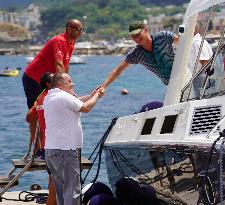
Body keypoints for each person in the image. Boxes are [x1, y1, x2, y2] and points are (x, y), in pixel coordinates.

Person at [43, 72, 105, 205]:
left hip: (51, 151)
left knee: (61, 191)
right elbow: (86, 108)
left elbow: (75, 102)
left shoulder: (50, 96)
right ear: (60, 83)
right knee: (72, 191)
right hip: (65, 150)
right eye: (69, 81)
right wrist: (97, 96)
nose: (73, 84)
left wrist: (91, 95)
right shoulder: (63, 97)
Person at [22, 19, 84, 109]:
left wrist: (69, 87)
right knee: (36, 110)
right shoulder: (60, 40)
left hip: (47, 81)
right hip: (33, 78)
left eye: (81, 29)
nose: (80, 32)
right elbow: (58, 64)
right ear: (69, 29)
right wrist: (63, 87)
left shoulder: (71, 43)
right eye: (78, 29)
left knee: (49, 108)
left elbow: (65, 65)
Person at [101, 21, 179, 89]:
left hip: (184, 74)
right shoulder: (136, 54)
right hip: (170, 85)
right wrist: (103, 87)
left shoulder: (163, 37)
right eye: (133, 36)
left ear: (145, 30)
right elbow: (118, 70)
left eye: (138, 34)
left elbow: (182, 41)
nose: (136, 38)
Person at [26, 72, 57, 205]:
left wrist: (39, 111)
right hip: (54, 145)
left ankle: (52, 198)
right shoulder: (52, 97)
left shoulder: (40, 97)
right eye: (54, 77)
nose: (57, 78)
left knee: (53, 175)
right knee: (57, 177)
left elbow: (28, 118)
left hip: (46, 146)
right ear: (49, 84)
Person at [186, 22, 213, 97]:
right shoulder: (196, 42)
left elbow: (205, 62)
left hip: (200, 78)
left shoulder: (197, 43)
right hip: (198, 78)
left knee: (199, 99)